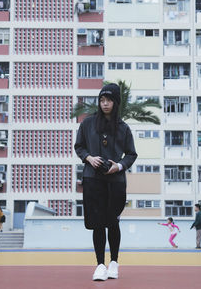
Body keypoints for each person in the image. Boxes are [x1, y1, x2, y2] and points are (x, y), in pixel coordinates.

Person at [74, 83, 138, 281]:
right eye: (102, 100)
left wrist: (118, 166)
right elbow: (79, 147)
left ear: (116, 102)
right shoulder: (87, 124)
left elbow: (131, 154)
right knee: (97, 223)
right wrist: (89, 158)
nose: (105, 104)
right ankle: (100, 264)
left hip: (115, 181)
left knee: (113, 222)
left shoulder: (123, 128)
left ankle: (114, 262)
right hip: (92, 179)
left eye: (109, 100)